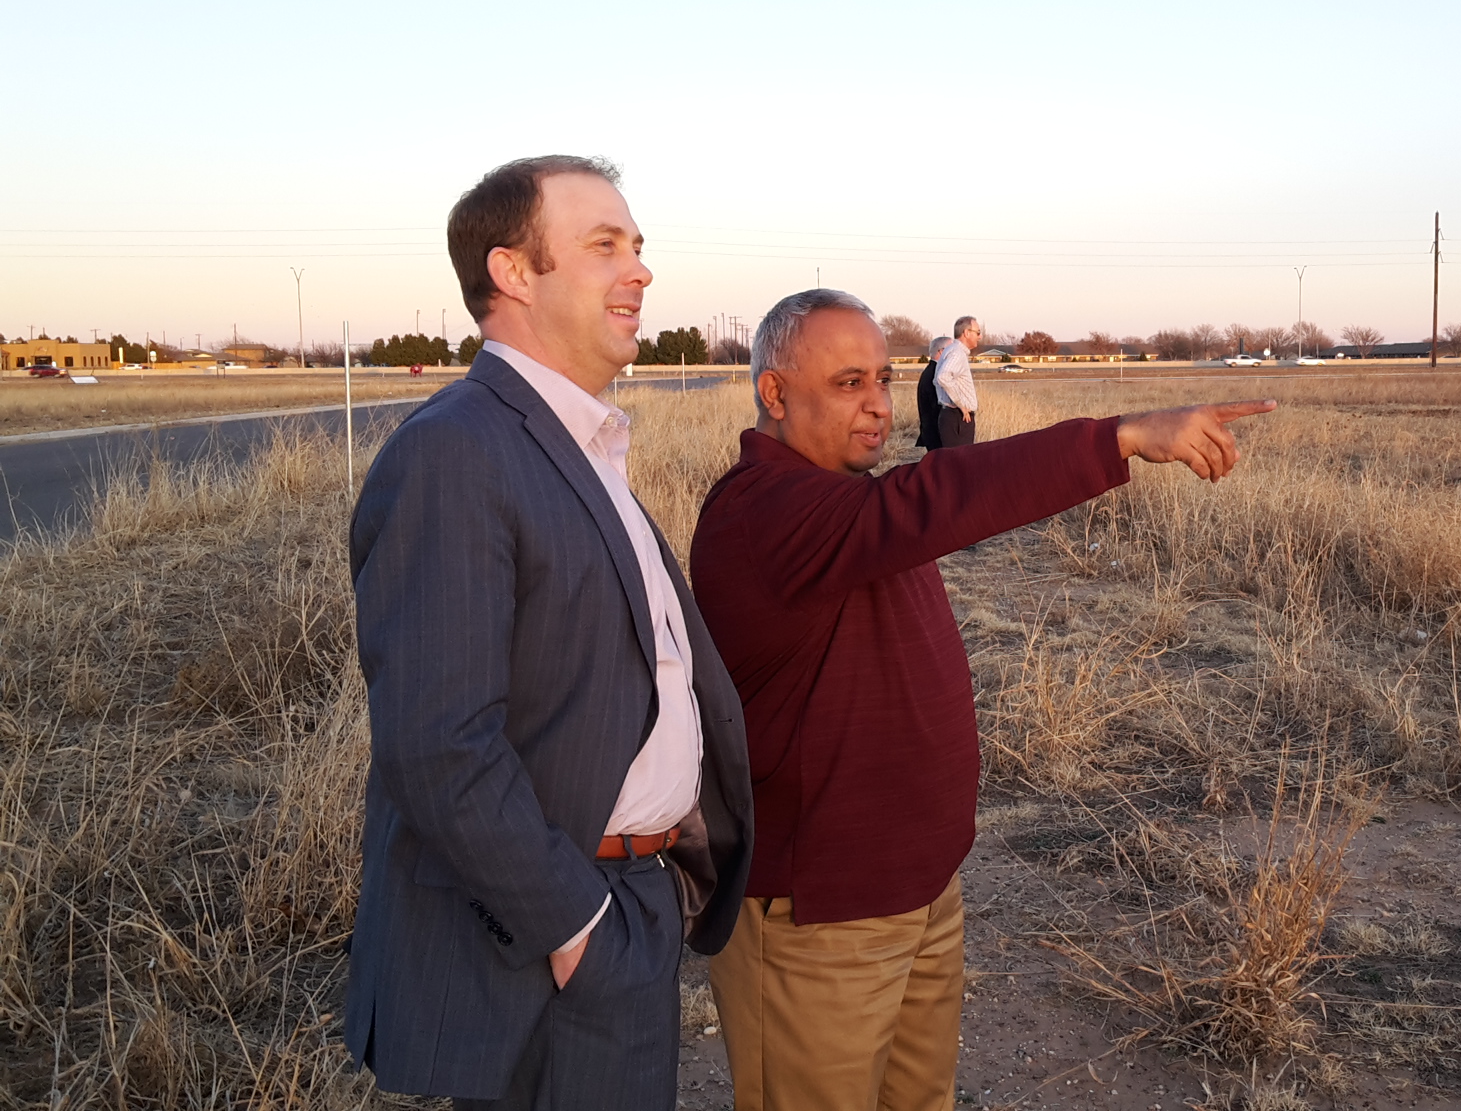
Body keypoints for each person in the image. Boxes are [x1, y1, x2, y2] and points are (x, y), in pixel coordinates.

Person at [690, 288, 1271, 1111]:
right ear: (775, 394)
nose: (878, 407)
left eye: (884, 381)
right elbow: (933, 499)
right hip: (819, 916)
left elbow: (921, 504)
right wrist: (1123, 438)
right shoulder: (761, 512)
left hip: (921, 891)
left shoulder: (847, 504)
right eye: (848, 383)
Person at [346, 155, 754, 1111]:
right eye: (604, 245)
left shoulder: (577, 441)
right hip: (551, 938)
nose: (641, 270)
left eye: (639, 247)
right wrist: (577, 929)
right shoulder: (457, 450)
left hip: (629, 903)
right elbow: (438, 745)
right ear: (514, 273)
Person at [932, 316, 980, 446]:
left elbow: (937, 380)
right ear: (966, 333)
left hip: (952, 416)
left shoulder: (951, 350)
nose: (979, 337)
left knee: (953, 461)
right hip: (958, 417)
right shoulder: (957, 353)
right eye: (978, 333)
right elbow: (943, 377)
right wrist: (962, 405)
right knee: (960, 462)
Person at [914, 335, 945, 450]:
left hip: (931, 431)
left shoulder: (930, 371)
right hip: (935, 433)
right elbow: (936, 406)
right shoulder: (936, 374)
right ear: (942, 352)